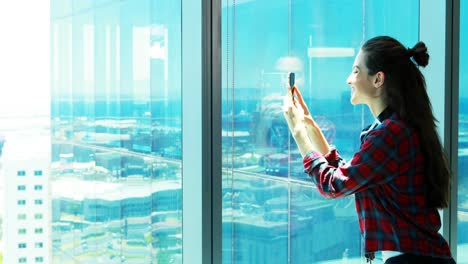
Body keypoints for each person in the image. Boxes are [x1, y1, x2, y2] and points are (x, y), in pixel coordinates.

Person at [283, 36, 456, 264]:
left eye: (356, 71)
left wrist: (297, 132)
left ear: (378, 79)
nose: (348, 80)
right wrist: (308, 124)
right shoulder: (394, 127)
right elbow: (352, 176)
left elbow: (335, 184)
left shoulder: (391, 134)